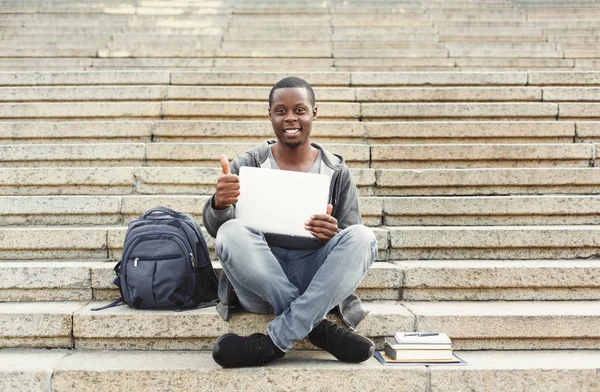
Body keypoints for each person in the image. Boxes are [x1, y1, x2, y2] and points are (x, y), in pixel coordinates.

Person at [202, 76, 378, 368]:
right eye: (281, 111)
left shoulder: (337, 171)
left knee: (363, 237)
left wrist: (334, 234)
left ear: (314, 113)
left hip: (315, 279)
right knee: (231, 230)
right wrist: (219, 203)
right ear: (270, 114)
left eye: (300, 110)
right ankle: (317, 326)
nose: (290, 118)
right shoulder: (247, 164)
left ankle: (272, 343)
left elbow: (350, 237)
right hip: (259, 284)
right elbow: (216, 231)